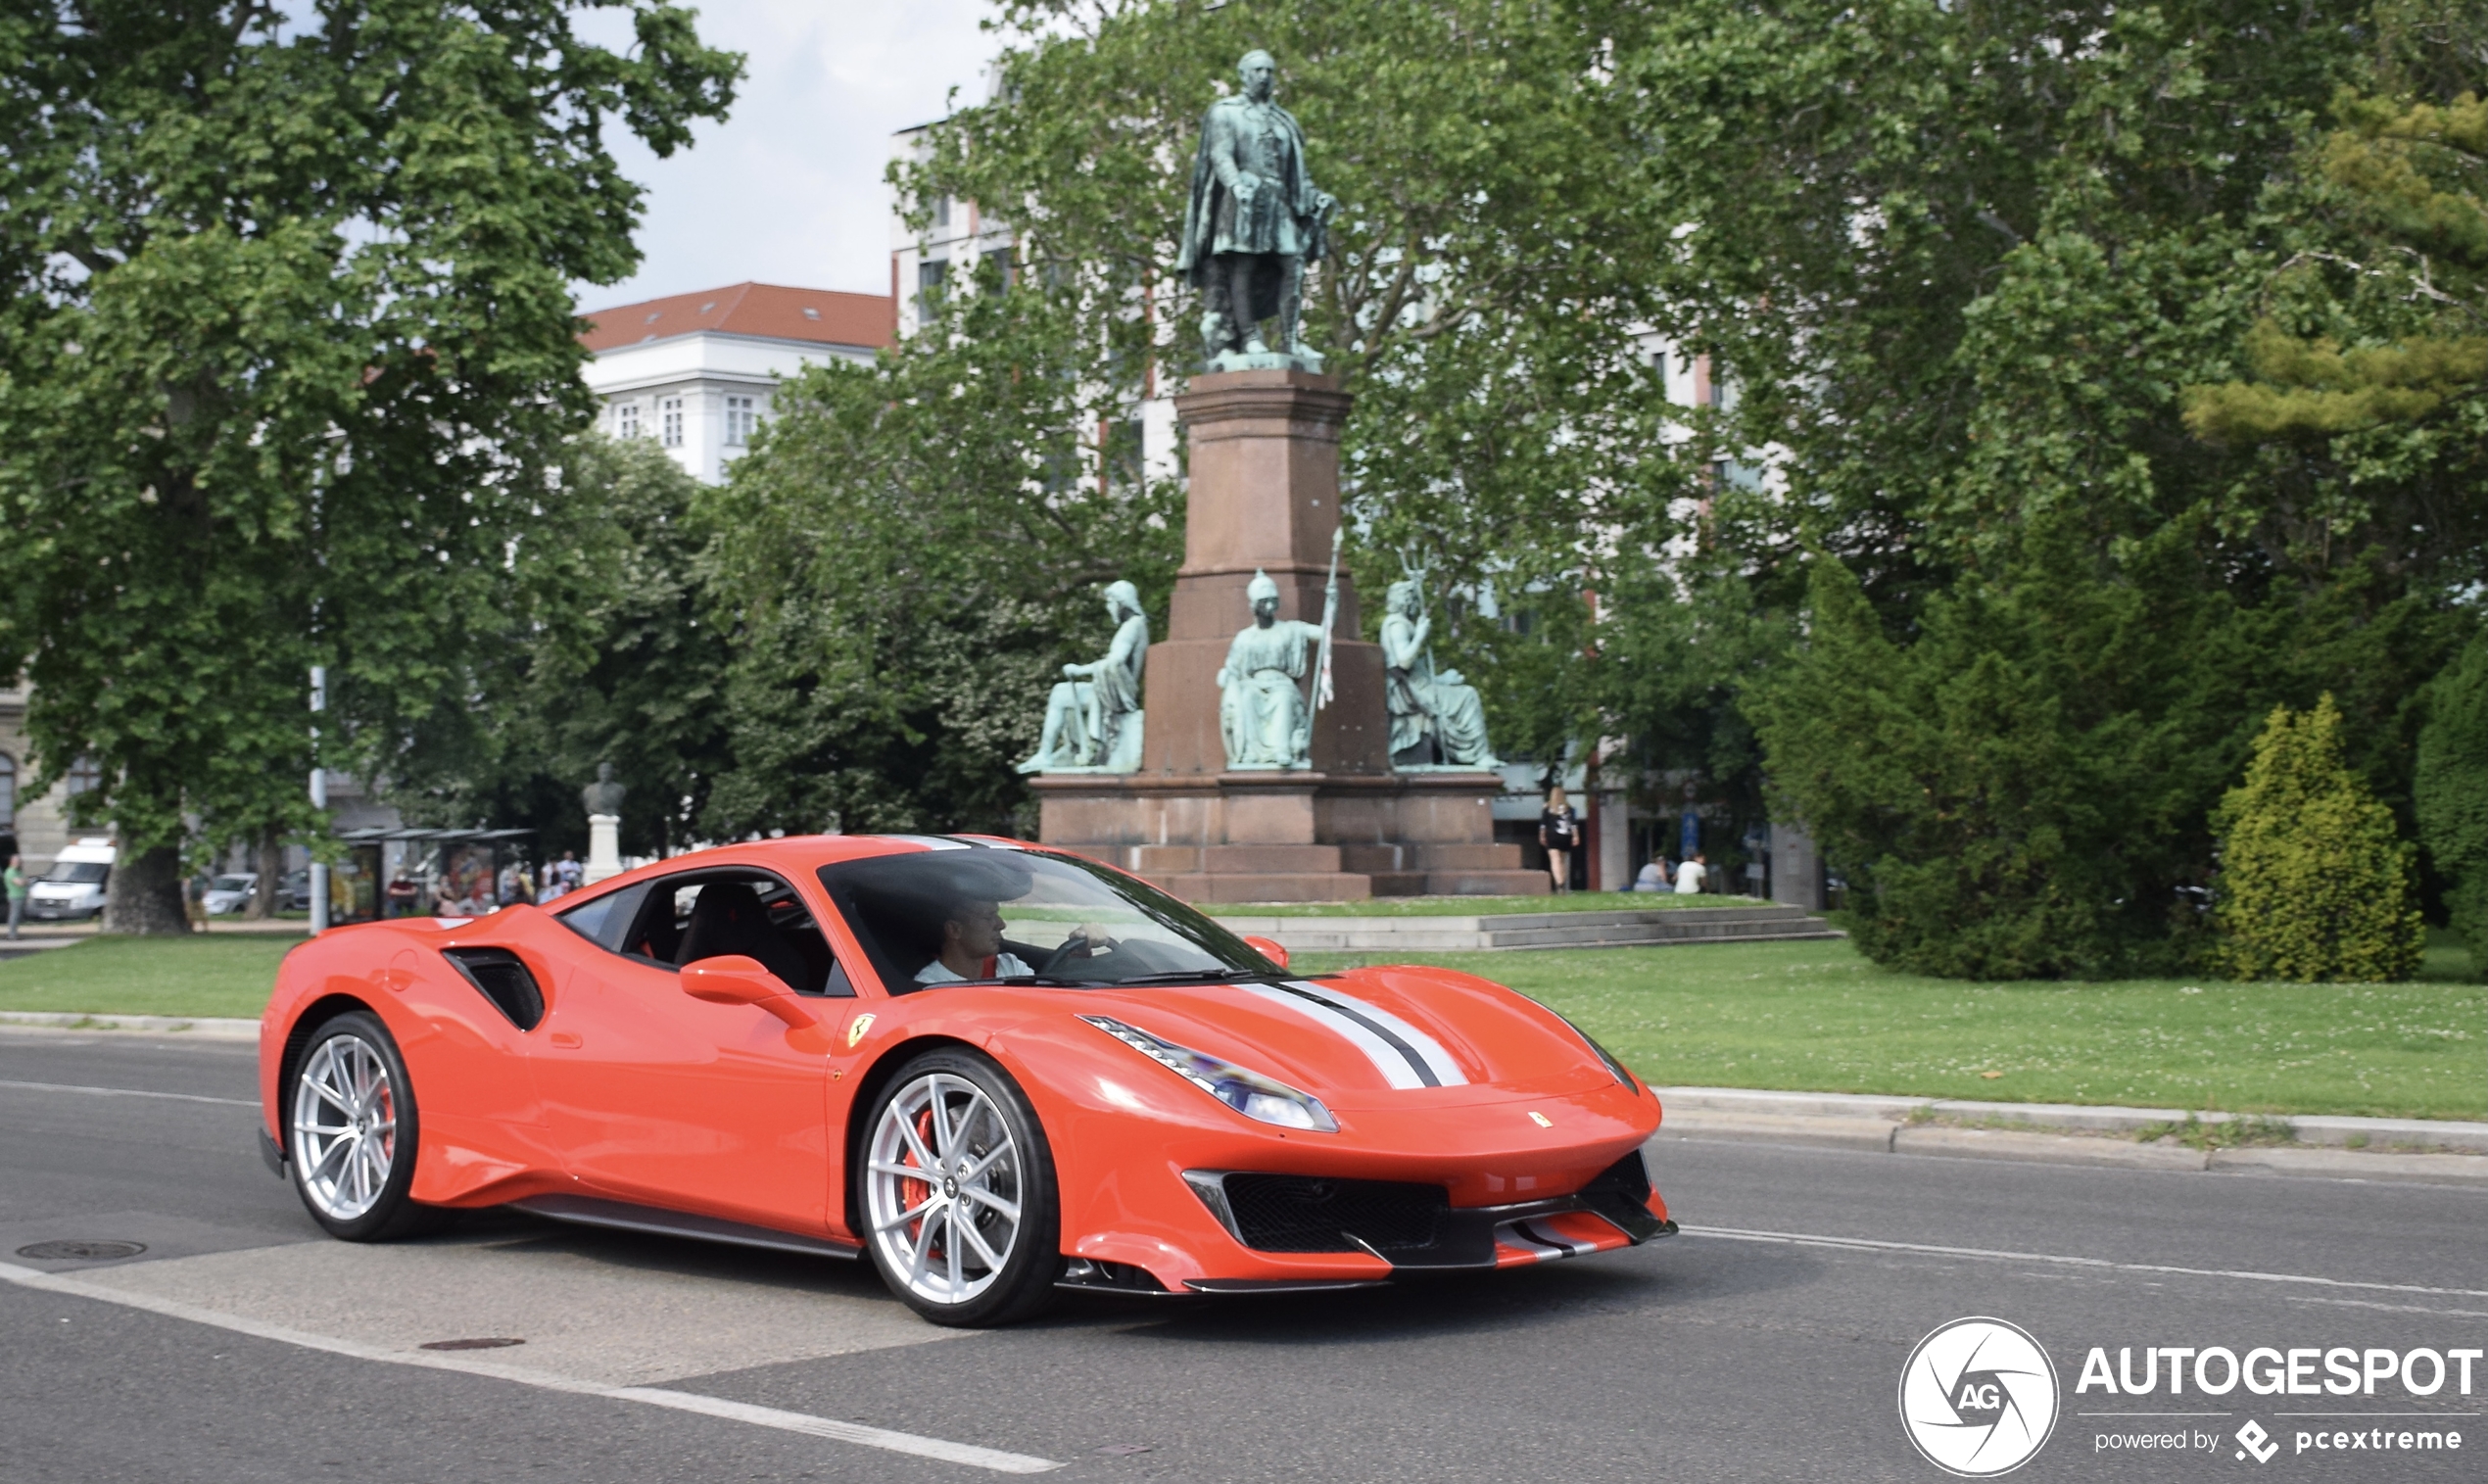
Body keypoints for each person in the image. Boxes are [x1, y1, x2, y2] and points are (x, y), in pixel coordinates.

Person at [914, 895, 1035, 986]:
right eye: (989, 916)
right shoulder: (930, 987)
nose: (1001, 924)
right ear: (954, 930)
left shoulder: (1012, 968)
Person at [1539, 786, 1579, 893]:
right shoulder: (1568, 809)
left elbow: (1543, 825)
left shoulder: (1547, 809)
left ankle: (1559, 883)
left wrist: (1542, 836)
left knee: (1555, 860)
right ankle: (1563, 881)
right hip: (1565, 837)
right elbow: (1573, 824)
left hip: (1552, 836)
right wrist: (1575, 836)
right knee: (1562, 860)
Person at [4, 854, 25, 939]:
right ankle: (12, 934)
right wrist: (23, 881)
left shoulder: (18, 871)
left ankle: (14, 933)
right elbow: (19, 883)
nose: (18, 863)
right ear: (12, 862)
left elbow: (25, 880)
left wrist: (23, 881)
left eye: (19, 861)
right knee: (14, 915)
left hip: (20, 895)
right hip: (15, 896)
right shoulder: (11, 872)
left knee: (17, 916)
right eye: (17, 861)